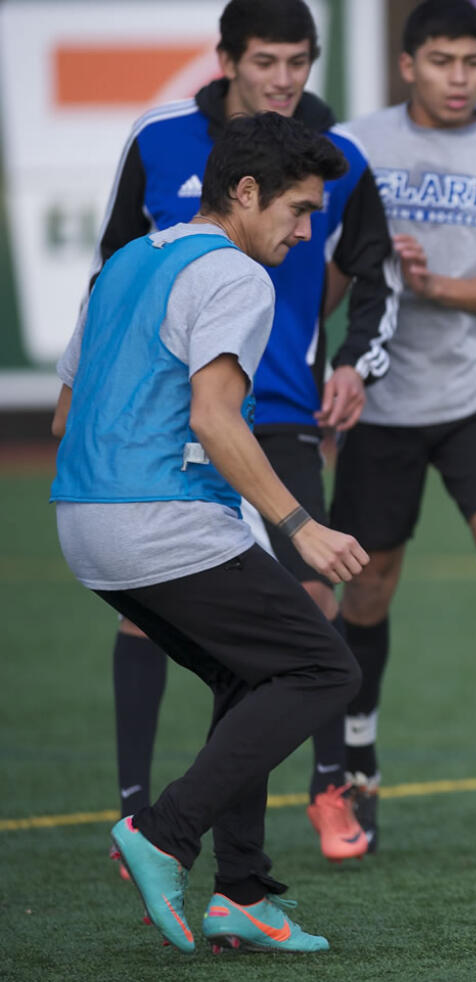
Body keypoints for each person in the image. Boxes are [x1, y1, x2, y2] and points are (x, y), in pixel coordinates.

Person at [51, 111, 366, 953]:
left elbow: (65, 411)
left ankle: (244, 894)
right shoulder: (234, 275)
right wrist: (299, 526)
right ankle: (165, 832)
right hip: (159, 519)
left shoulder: (126, 261)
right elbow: (218, 421)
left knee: (249, 675)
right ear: (246, 191)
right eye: (298, 212)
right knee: (322, 666)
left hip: (84, 523)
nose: (305, 233)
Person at [89, 0, 394, 863]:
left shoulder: (338, 156)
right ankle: (146, 815)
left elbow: (373, 271)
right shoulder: (160, 146)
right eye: (267, 60)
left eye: (301, 61)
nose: (285, 78)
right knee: (189, 619)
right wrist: (87, 385)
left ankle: (313, 806)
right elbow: (113, 263)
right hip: (166, 430)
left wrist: (353, 362)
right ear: (227, 60)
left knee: (301, 611)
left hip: (286, 409)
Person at [328, 0, 476, 843]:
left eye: (472, 61)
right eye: (442, 61)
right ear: (408, 65)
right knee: (370, 581)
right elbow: (321, 265)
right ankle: (356, 766)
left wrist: (436, 288)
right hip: (382, 399)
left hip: (475, 391)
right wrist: (339, 342)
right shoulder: (355, 148)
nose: (458, 77)